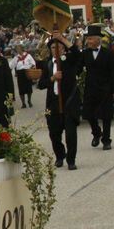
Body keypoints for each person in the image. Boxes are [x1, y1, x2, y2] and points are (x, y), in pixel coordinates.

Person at [38, 32, 82, 170]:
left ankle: (71, 160)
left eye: (59, 47)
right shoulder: (48, 64)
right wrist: (52, 78)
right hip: (53, 103)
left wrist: (62, 39)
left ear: (64, 49)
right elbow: (41, 84)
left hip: (69, 102)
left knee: (70, 134)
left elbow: (77, 54)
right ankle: (60, 155)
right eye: (53, 47)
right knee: (54, 133)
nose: (56, 49)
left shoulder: (69, 60)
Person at [81, 24, 114, 150]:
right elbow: (77, 68)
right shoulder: (85, 53)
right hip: (90, 88)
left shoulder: (107, 54)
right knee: (88, 114)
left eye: (90, 39)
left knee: (106, 116)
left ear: (98, 39)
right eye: (87, 39)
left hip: (105, 89)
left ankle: (106, 140)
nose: (88, 41)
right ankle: (96, 132)